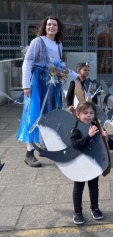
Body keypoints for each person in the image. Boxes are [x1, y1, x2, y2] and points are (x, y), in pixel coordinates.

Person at [17, 16, 77, 167]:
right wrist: (26, 85)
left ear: (58, 28)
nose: (51, 27)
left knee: (50, 115)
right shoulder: (37, 42)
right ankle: (29, 152)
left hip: (52, 83)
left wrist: (76, 76)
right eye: (49, 24)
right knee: (35, 114)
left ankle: (43, 145)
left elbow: (59, 66)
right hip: (38, 83)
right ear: (44, 27)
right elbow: (28, 62)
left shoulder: (58, 44)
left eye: (54, 25)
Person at [70, 102, 109, 224]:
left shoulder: (96, 126)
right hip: (79, 164)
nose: (89, 116)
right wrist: (88, 135)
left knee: (93, 186)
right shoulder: (75, 129)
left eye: (91, 113)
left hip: (93, 162)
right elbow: (76, 145)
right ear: (78, 114)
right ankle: (77, 212)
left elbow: (102, 145)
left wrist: (105, 138)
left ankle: (95, 208)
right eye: (85, 113)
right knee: (78, 188)